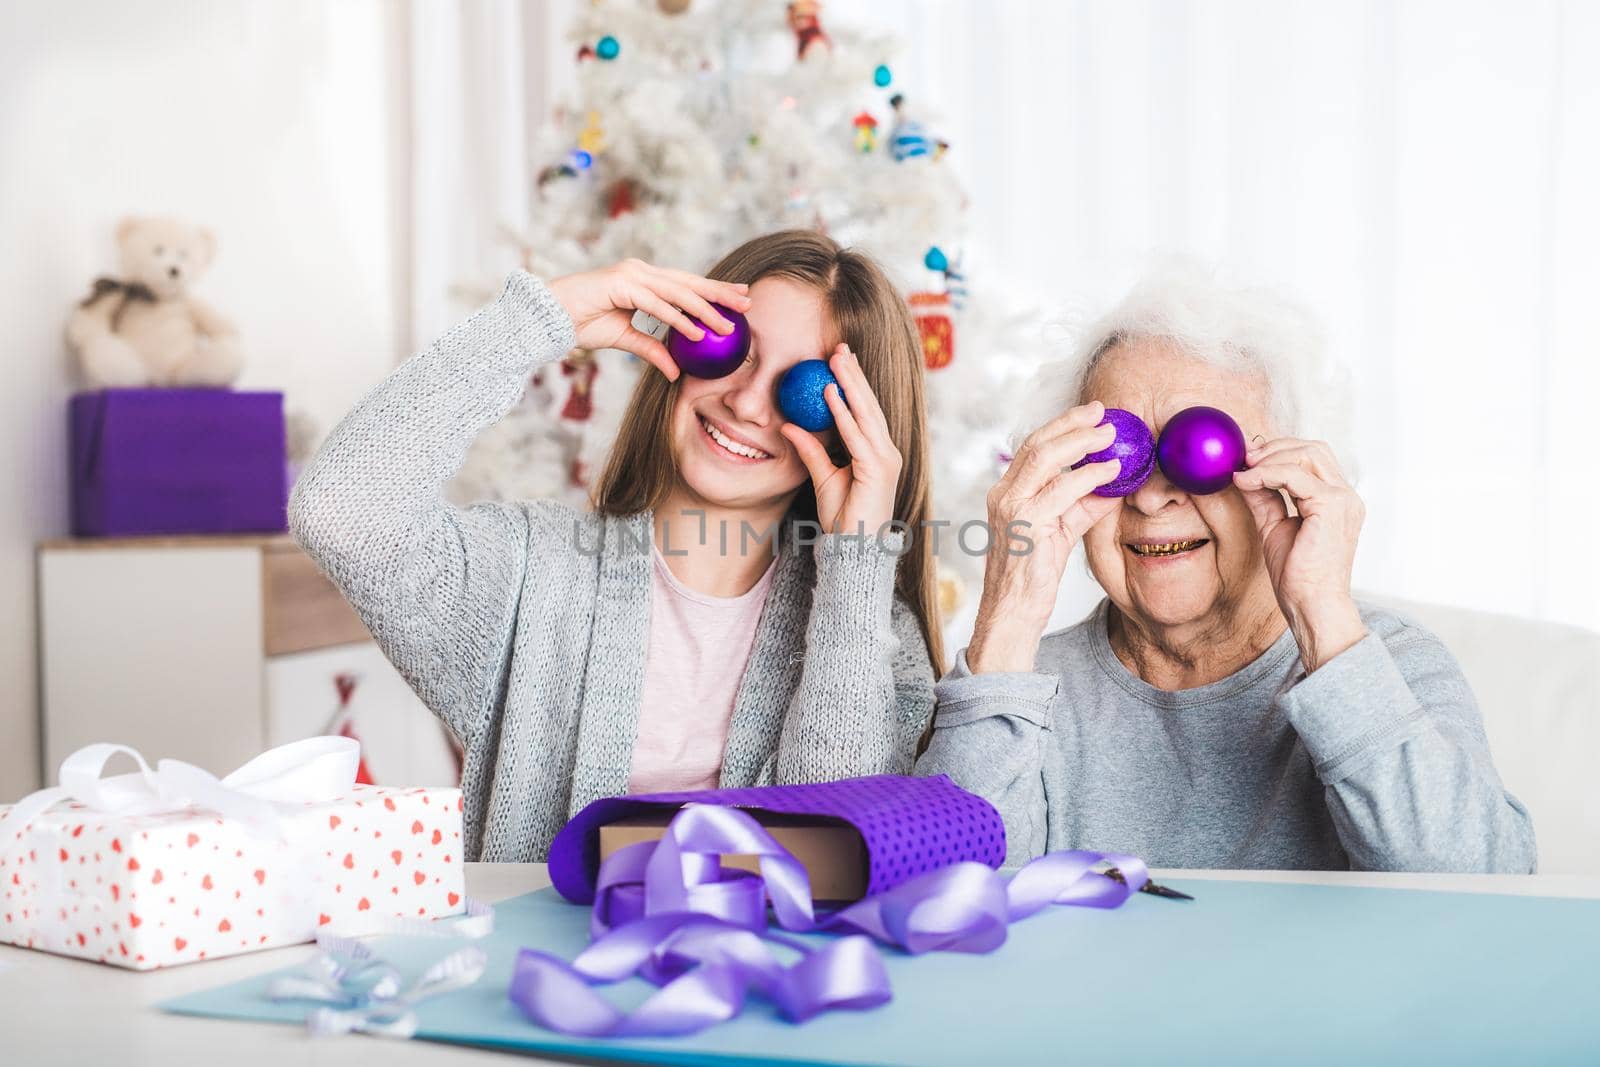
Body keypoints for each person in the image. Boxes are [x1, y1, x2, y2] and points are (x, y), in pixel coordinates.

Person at [291, 230, 941, 863]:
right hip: (548, 968)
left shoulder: (874, 632)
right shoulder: (532, 573)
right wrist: (539, 322)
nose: (746, 403)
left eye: (801, 388)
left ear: (850, 434)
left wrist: (856, 558)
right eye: (732, 350)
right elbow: (338, 513)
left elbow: (829, 845)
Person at [917, 266, 1536, 872]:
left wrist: (1323, 616)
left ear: (1282, 476)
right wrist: (1010, 615)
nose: (1152, 497)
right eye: (1117, 455)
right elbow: (940, 900)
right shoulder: (1017, 687)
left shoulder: (1387, 669)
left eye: (1198, 453)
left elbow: (1485, 891)